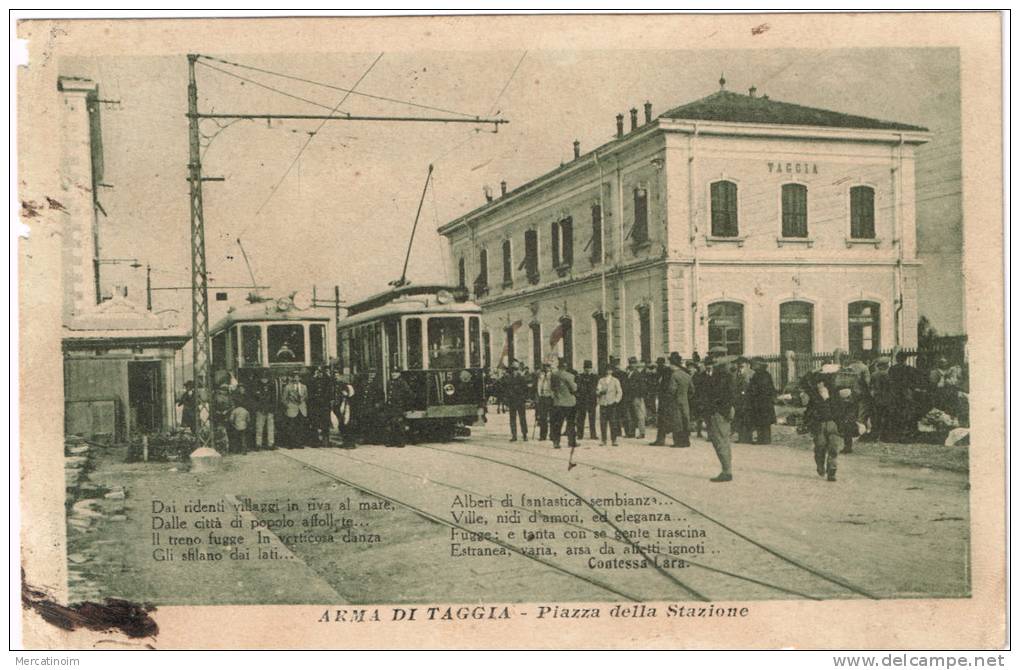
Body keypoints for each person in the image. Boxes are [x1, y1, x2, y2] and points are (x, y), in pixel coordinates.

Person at [800, 363, 855, 482]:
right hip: (819, 424)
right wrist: (815, 370)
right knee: (820, 447)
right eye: (819, 381)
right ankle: (820, 466)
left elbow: (844, 408)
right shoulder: (814, 394)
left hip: (833, 424)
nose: (821, 383)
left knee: (833, 449)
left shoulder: (835, 393)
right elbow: (804, 382)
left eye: (823, 381)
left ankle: (831, 472)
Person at [704, 356, 736, 482]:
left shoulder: (722, 376)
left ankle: (726, 471)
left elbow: (725, 396)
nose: (715, 360)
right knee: (722, 441)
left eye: (716, 357)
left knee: (720, 441)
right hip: (720, 412)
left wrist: (723, 411)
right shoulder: (724, 375)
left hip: (718, 412)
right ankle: (726, 469)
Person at [745, 358, 777, 445]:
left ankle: (764, 439)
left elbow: (760, 389)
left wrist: (751, 391)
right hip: (762, 402)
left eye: (753, 364)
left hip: (762, 402)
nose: (751, 366)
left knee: (763, 421)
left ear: (759, 365)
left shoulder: (762, 375)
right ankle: (762, 438)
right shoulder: (761, 374)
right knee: (761, 421)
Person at [548, 358, 578, 450]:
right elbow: (574, 389)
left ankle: (556, 442)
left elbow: (552, 388)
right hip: (569, 403)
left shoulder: (553, 375)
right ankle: (571, 441)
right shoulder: (569, 376)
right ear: (566, 366)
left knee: (558, 423)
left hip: (557, 402)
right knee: (571, 423)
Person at [385, 369, 413, 447]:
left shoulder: (402, 382)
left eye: (396, 373)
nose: (393, 374)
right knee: (391, 423)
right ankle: (392, 442)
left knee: (399, 424)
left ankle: (401, 442)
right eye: (392, 372)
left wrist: (403, 403)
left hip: (399, 406)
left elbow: (409, 393)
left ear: (399, 374)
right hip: (391, 406)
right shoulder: (389, 382)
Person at [596, 364, 623, 445]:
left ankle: (614, 440)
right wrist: (600, 392)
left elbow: (620, 392)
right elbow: (597, 391)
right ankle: (603, 440)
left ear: (612, 371)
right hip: (603, 403)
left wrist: (616, 401)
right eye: (607, 370)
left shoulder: (615, 380)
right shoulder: (601, 380)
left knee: (613, 422)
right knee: (603, 422)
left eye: (610, 370)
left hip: (612, 403)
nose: (608, 372)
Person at [621, 357, 647, 439]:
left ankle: (642, 432)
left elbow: (642, 387)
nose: (632, 365)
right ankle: (631, 433)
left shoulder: (638, 374)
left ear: (636, 364)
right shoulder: (628, 373)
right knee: (630, 415)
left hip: (636, 397)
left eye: (633, 363)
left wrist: (640, 397)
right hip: (628, 397)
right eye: (630, 363)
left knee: (639, 415)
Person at [504, 361, 531, 442]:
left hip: (520, 400)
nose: (514, 371)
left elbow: (526, 389)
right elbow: (506, 389)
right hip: (512, 401)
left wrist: (525, 398)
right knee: (512, 419)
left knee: (522, 418)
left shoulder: (521, 377)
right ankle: (514, 435)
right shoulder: (509, 378)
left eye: (515, 369)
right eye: (513, 369)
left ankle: (524, 434)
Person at [280, 371, 308, 448]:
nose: (296, 378)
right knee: (291, 427)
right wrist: (288, 406)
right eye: (294, 377)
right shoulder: (288, 387)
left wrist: (303, 405)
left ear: (300, 378)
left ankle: (299, 443)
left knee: (300, 427)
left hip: (301, 409)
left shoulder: (304, 387)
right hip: (292, 409)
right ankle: (290, 443)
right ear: (292, 378)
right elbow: (283, 399)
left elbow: (306, 397)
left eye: (298, 377)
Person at [308, 366, 333, 447]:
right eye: (318, 372)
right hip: (315, 405)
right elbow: (310, 392)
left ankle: (325, 441)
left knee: (325, 423)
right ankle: (315, 441)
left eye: (321, 372)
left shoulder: (327, 381)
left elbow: (329, 392)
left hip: (324, 405)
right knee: (315, 423)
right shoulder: (313, 381)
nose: (319, 374)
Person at [574, 360, 598, 440]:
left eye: (589, 368)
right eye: (586, 368)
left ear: (591, 368)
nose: (587, 370)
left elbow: (596, 388)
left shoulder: (595, 377)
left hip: (591, 400)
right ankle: (580, 434)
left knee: (592, 418)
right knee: (580, 418)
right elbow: (577, 387)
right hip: (582, 400)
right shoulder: (579, 376)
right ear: (584, 368)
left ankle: (593, 434)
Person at [332, 371, 356, 449]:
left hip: (346, 407)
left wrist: (346, 396)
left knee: (347, 423)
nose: (336, 377)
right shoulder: (333, 385)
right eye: (335, 376)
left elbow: (351, 395)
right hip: (337, 407)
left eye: (338, 375)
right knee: (341, 424)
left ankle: (350, 442)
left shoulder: (345, 385)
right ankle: (345, 441)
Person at [732, 357, 754, 443]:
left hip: (748, 400)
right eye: (738, 365)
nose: (740, 366)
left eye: (742, 365)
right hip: (738, 400)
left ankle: (748, 437)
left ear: (747, 365)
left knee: (748, 418)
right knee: (739, 418)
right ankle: (741, 437)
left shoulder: (752, 373)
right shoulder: (735, 374)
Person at [252, 375, 277, 450]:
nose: (264, 379)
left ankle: (271, 444)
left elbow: (274, 399)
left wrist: (272, 409)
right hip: (260, 410)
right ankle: (258, 444)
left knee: (270, 428)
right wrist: (257, 408)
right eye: (263, 378)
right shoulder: (257, 386)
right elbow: (255, 399)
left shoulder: (271, 386)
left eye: (265, 378)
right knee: (259, 427)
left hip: (269, 410)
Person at [228, 385, 251, 454]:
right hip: (244, 426)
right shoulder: (245, 411)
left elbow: (231, 419)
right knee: (243, 438)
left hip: (236, 426)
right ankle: (244, 450)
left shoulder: (235, 410)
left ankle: (236, 450)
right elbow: (248, 419)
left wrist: (232, 423)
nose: (242, 389)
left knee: (236, 438)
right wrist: (247, 423)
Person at [534, 362, 554, 441]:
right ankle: (543, 435)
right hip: (542, 397)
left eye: (548, 366)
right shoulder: (540, 375)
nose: (546, 368)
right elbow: (537, 386)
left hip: (550, 397)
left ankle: (552, 435)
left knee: (552, 418)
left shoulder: (552, 375)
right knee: (543, 418)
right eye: (545, 366)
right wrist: (537, 396)